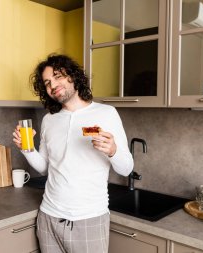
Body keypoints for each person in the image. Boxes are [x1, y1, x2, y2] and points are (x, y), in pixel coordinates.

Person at [12, 54, 133, 253]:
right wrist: (27, 149)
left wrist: (113, 151)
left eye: (58, 76)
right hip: (49, 217)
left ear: (73, 76)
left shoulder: (106, 113)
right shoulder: (49, 120)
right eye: (47, 83)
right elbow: (45, 167)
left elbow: (127, 168)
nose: (53, 85)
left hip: (88, 219)